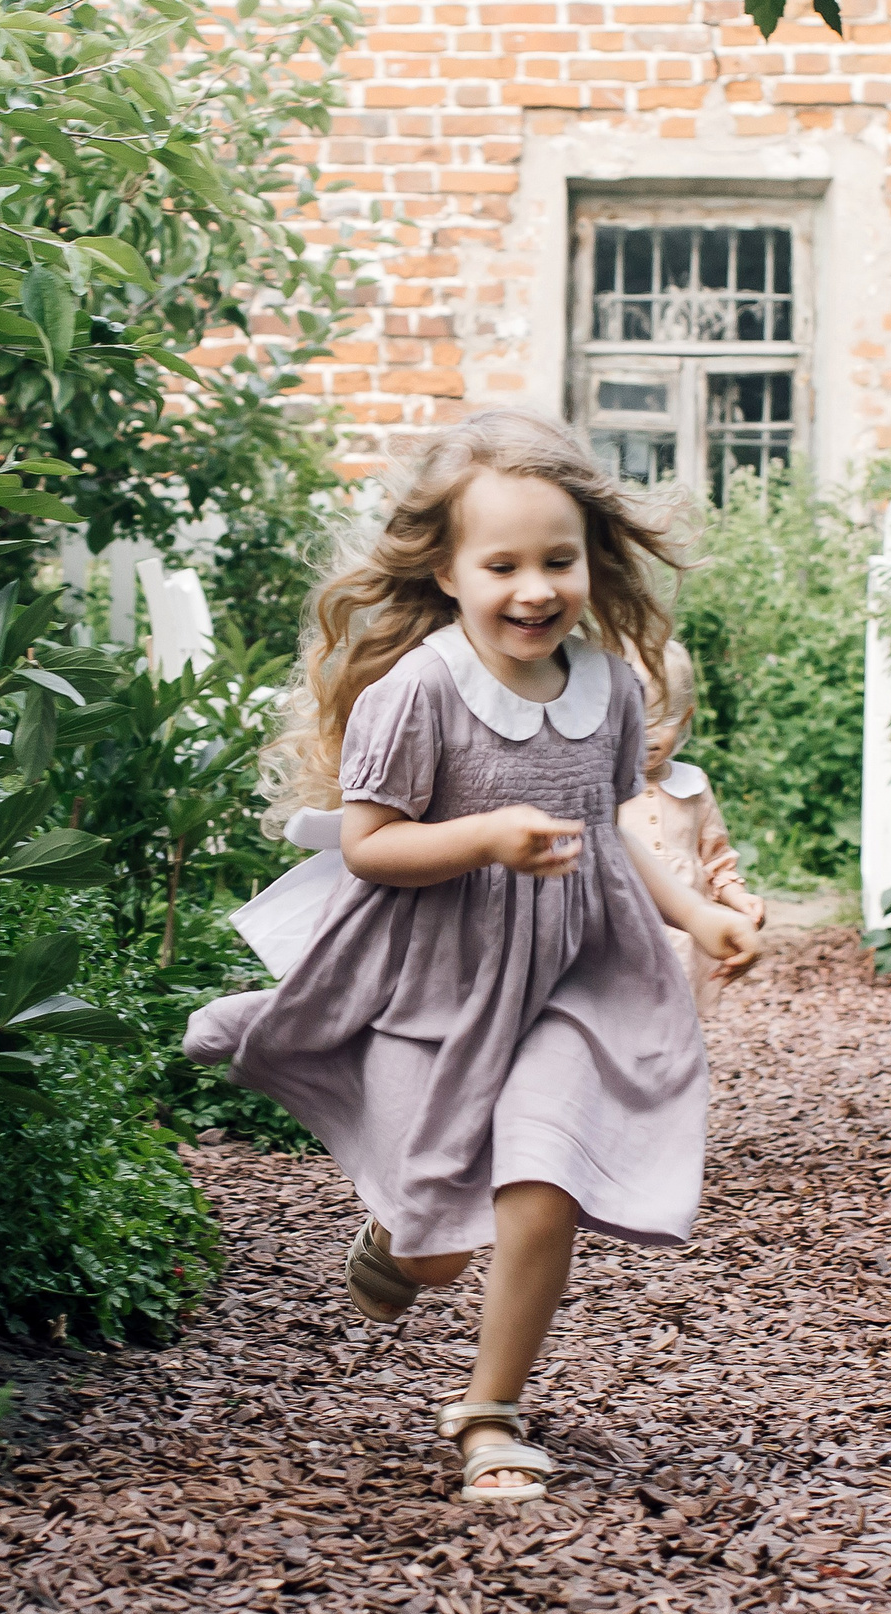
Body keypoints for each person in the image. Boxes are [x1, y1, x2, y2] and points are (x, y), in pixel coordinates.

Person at [185, 411, 763, 1503]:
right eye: (502, 565)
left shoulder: (609, 691)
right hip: (440, 976)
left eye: (558, 560)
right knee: (439, 1246)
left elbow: (611, 829)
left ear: (592, 560)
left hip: (576, 973)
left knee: (542, 1184)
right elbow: (372, 845)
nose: (534, 589)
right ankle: (402, 1242)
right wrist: (484, 838)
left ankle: (489, 1414)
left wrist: (695, 915)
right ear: (446, 571)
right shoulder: (420, 691)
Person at [617, 641, 768, 1015]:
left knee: (679, 1022)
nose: (649, 733)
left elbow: (716, 859)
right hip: (622, 933)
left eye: (663, 718)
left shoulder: (693, 785)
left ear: (685, 719)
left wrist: (736, 897)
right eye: (636, 718)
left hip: (684, 937)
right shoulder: (602, 786)